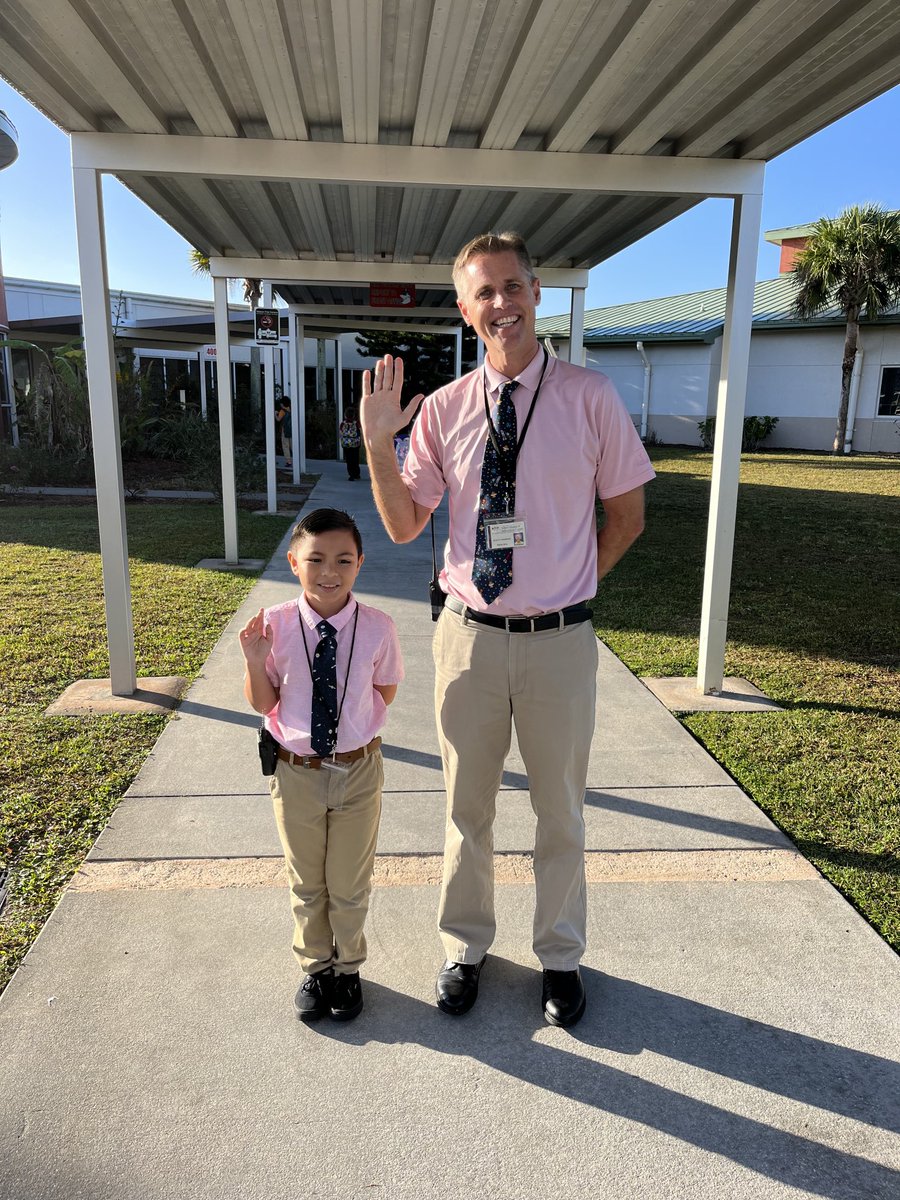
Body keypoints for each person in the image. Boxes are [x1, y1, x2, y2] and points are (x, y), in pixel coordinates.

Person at [360, 231, 655, 1028]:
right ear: (466, 307)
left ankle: (561, 956)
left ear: (537, 292)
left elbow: (626, 514)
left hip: (560, 642)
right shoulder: (448, 411)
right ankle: (465, 947)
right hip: (469, 640)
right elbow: (398, 523)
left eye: (513, 287)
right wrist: (377, 442)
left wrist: (572, 582)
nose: (501, 304)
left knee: (561, 809)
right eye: (483, 292)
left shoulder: (591, 398)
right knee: (467, 807)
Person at [239, 507, 404, 1022]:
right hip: (296, 772)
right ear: (294, 562)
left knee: (349, 882)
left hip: (357, 771)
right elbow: (264, 703)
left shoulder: (378, 627)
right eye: (316, 559)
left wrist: (352, 732)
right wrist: (253, 659)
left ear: (359, 564)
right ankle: (316, 967)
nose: (329, 571)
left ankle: (348, 969)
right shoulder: (277, 625)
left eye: (343, 560)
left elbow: (385, 690)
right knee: (307, 879)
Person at [340, 406, 362, 480]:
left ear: (345, 415)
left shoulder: (343, 423)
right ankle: (357, 474)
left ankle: (351, 474)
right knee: (355, 459)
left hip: (346, 444)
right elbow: (360, 431)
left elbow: (341, 433)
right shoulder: (357, 423)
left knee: (349, 460)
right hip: (355, 444)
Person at [275, 397, 293, 467]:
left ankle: (288, 461)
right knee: (292, 445)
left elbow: (278, 419)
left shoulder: (282, 411)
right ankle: (297, 458)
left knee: (285, 446)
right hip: (292, 430)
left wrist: (275, 414)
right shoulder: (290, 409)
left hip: (285, 431)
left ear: (282, 404)